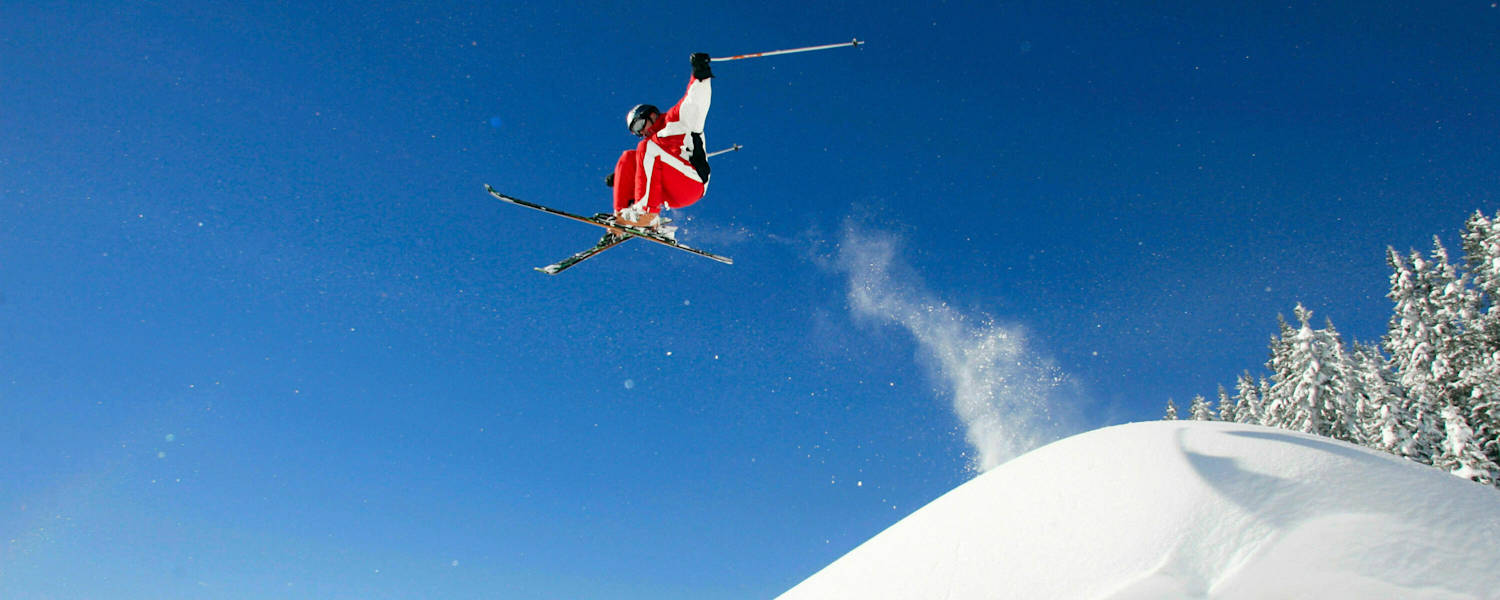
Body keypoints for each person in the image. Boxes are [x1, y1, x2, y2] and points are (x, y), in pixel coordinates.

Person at [606, 52, 715, 234]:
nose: (641, 132)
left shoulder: (676, 120)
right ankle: (622, 219)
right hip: (670, 190)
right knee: (628, 157)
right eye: (636, 132)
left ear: (651, 114)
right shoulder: (650, 145)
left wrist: (700, 77)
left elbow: (694, 102)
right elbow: (643, 167)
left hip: (693, 183)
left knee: (646, 147)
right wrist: (622, 176)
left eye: (640, 125)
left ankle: (646, 214)